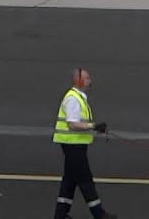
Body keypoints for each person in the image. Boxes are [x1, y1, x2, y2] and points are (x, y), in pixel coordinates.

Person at [52, 68, 116, 219]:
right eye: (87, 78)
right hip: (73, 146)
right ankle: (99, 214)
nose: (90, 81)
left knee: (70, 180)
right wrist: (93, 126)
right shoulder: (73, 99)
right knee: (85, 180)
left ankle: (60, 215)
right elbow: (72, 124)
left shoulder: (79, 97)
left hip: (75, 145)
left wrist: (94, 129)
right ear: (79, 80)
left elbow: (79, 124)